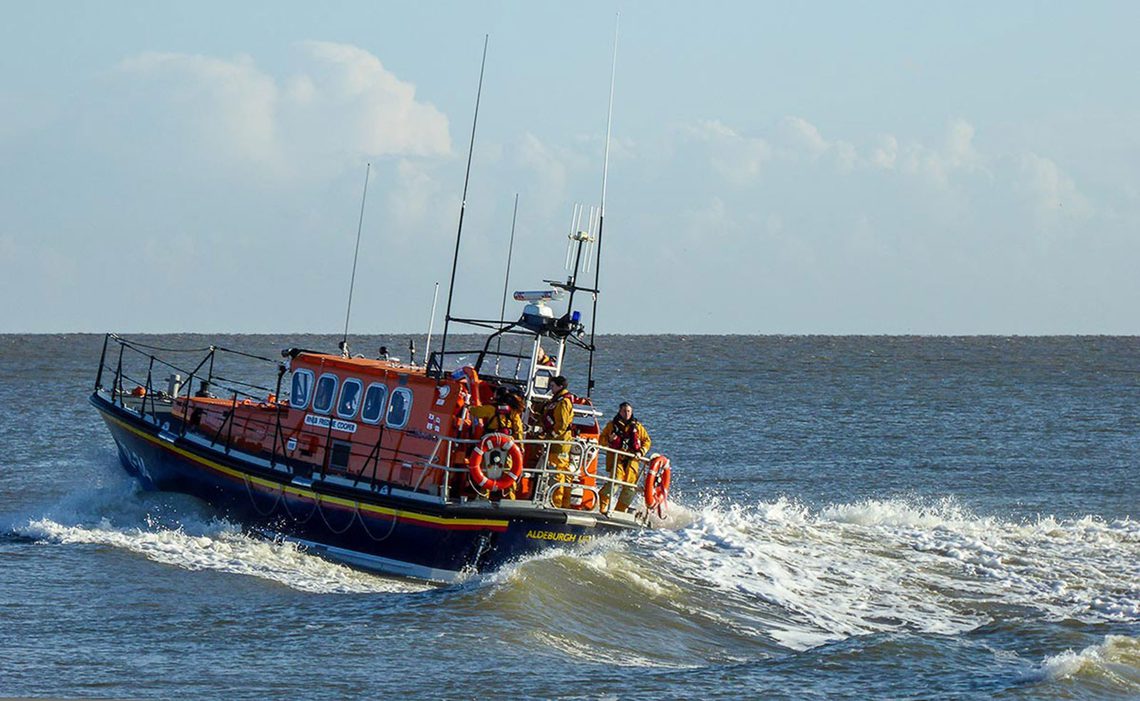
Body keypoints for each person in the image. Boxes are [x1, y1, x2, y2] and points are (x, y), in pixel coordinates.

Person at [470, 391, 527, 499]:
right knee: (509, 473)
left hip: (490, 445)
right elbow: (518, 431)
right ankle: (510, 499)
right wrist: (521, 447)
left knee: (487, 473)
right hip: (508, 446)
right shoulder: (513, 412)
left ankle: (483, 498)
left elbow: (476, 412)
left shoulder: (491, 409)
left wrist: (469, 406)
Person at [598, 402, 652, 513]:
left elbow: (647, 441)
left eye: (628, 411)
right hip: (616, 459)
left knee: (630, 488)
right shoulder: (611, 426)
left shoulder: (637, 427)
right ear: (619, 411)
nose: (626, 413)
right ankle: (603, 506)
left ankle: (620, 511)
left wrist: (641, 452)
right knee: (615, 481)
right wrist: (609, 440)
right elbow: (601, 440)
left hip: (632, 460)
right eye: (624, 411)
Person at [541, 375, 575, 508]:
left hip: (559, 444)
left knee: (558, 474)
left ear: (560, 387)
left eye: (553, 386)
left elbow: (562, 424)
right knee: (564, 474)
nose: (551, 388)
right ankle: (564, 504)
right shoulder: (557, 400)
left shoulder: (563, 402)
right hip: (558, 442)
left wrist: (552, 435)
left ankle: (558, 504)